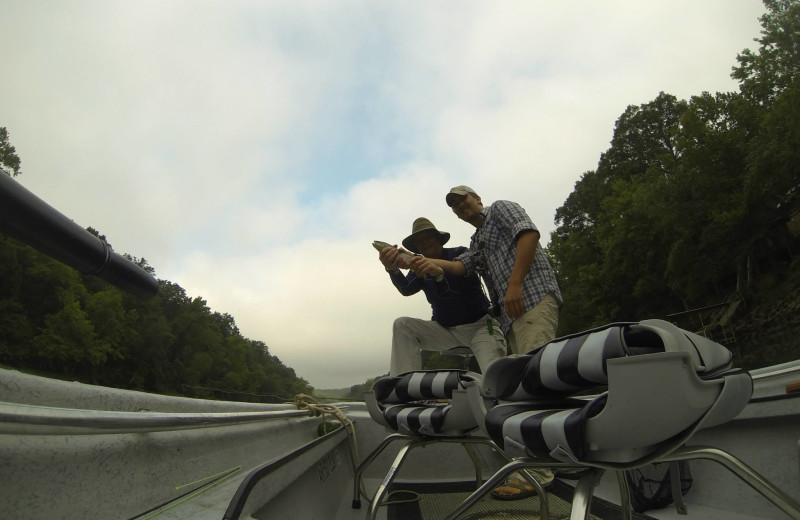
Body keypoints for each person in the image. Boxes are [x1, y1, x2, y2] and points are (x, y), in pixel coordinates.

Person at [408, 186, 563, 499]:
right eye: (455, 206)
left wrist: (515, 284)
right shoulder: (478, 241)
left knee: (534, 387)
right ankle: (561, 457)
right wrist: (431, 265)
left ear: (477, 198)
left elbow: (529, 235)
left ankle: (540, 473)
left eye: (463, 199)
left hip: (531, 301)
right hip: (511, 317)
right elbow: (461, 266)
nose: (461, 206)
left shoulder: (501, 209)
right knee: (527, 387)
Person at [378, 217, 506, 375]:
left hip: (479, 328)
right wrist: (393, 270)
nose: (424, 243)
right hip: (445, 330)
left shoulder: (460, 254)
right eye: (419, 241)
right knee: (402, 325)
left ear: (439, 239)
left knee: (495, 375)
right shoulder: (418, 265)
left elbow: (451, 292)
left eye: (428, 237)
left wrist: (438, 275)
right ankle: (404, 383)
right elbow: (406, 289)